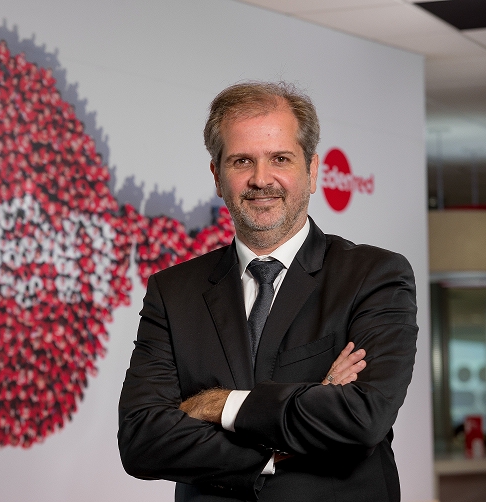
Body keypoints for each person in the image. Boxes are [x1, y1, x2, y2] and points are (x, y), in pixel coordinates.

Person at [118, 81, 417, 502]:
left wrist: (219, 406)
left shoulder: (374, 276)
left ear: (312, 171)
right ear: (217, 176)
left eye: (280, 158)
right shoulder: (173, 292)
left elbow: (363, 417)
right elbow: (141, 439)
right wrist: (280, 443)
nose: (261, 179)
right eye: (242, 161)